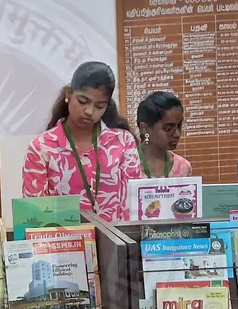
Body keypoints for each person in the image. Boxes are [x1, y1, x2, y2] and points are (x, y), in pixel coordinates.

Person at [21, 61, 143, 221]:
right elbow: (34, 212)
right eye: (83, 101)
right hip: (64, 242)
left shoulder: (123, 142)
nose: (89, 111)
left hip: (117, 242)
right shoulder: (41, 147)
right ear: (68, 94)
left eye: (99, 106)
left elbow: (134, 204)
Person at [134, 91, 192, 178]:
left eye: (179, 126)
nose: (177, 134)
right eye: (168, 128)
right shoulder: (127, 166)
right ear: (145, 129)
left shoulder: (183, 167)